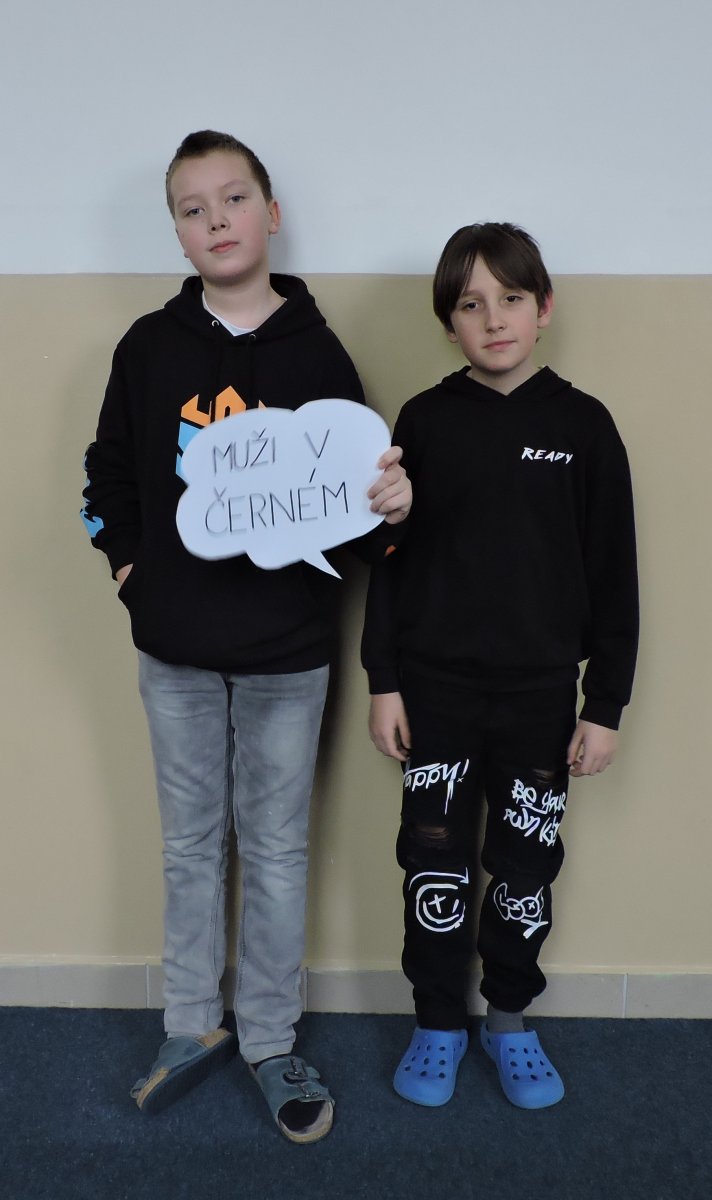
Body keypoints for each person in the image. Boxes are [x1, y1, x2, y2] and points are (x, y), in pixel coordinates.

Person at [81, 130, 411, 1144]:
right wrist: (130, 571)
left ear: (270, 215)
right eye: (193, 208)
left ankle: (270, 1038)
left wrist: (390, 510)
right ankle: (190, 1025)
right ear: (178, 234)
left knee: (274, 849)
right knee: (190, 847)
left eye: (233, 199)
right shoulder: (147, 349)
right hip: (174, 647)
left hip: (288, 651)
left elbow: (353, 508)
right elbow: (106, 478)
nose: (216, 219)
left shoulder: (319, 354)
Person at [362, 222, 638, 1111]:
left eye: (511, 299)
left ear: (542, 308)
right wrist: (383, 680)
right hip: (434, 691)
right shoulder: (424, 420)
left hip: (540, 698)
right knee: (434, 862)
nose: (493, 319)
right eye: (471, 305)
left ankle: (509, 1018)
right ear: (449, 323)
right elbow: (388, 561)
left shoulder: (585, 426)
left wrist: (605, 705)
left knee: (524, 866)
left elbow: (615, 576)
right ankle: (439, 1020)